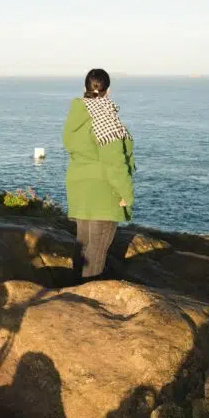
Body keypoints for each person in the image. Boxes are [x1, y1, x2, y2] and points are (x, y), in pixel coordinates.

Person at [62, 68, 135, 280]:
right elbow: (115, 163)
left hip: (79, 188)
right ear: (108, 91)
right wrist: (127, 195)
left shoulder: (77, 116)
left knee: (83, 246)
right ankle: (86, 300)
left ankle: (74, 293)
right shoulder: (104, 117)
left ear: (85, 87)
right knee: (96, 251)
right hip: (102, 191)